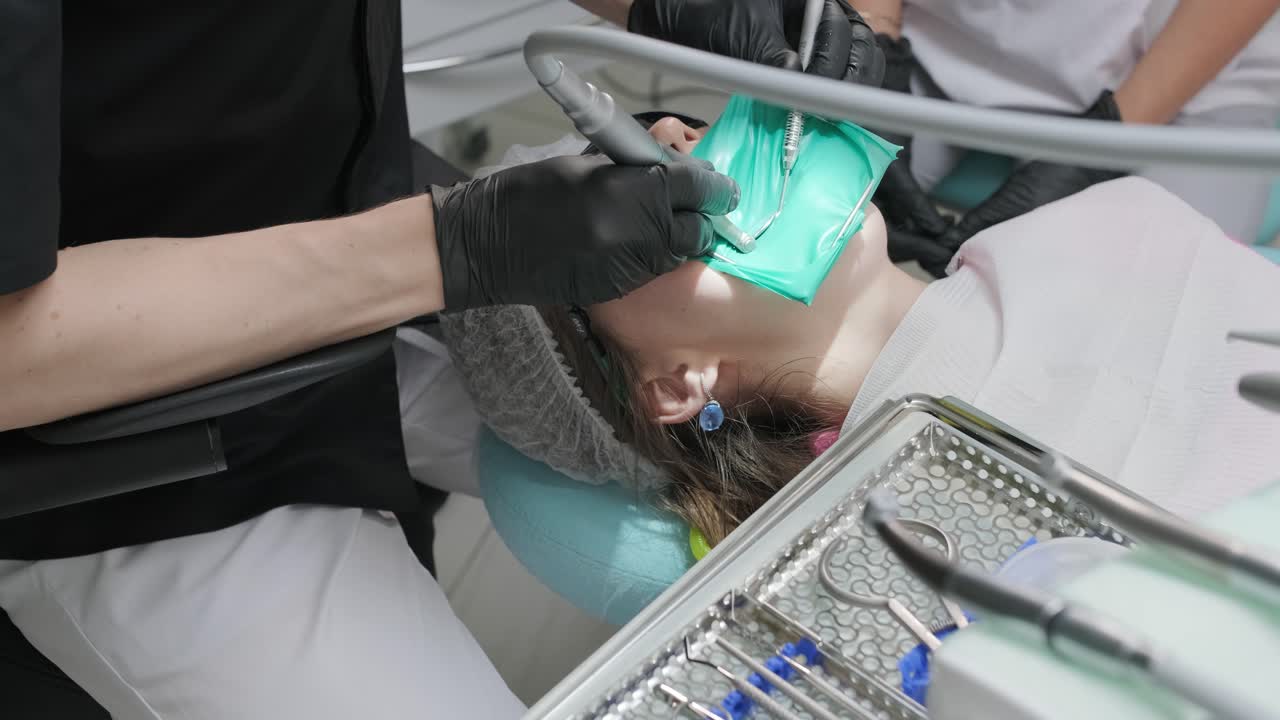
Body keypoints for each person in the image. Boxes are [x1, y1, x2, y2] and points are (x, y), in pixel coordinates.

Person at [0, 0, 883, 717]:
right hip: (123, 456)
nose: (676, 134)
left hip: (346, 227)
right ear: (684, 383)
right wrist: (450, 249)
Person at [444, 114, 1280, 546]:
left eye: (655, 126)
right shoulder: (901, 530)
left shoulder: (1081, 222)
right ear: (675, 382)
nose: (669, 137)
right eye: (614, 210)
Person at [851, 0, 1280, 276]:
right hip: (939, 31)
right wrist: (877, 43)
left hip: (1189, 73)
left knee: (1151, 298)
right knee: (825, 207)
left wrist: (1106, 141)